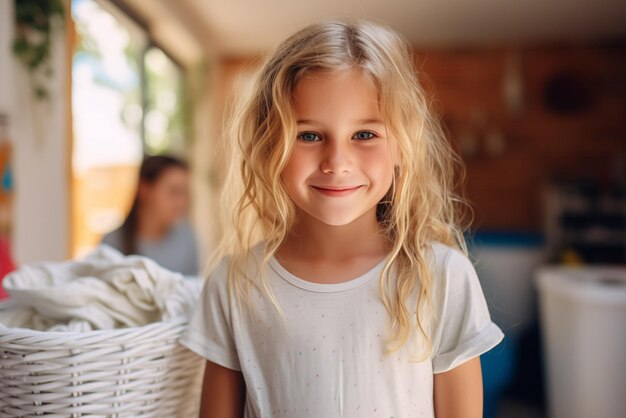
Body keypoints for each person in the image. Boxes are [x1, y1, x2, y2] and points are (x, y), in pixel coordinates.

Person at [179, 19, 504, 418]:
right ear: (269, 146)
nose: (337, 163)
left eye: (364, 135)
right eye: (310, 136)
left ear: (403, 146)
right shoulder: (235, 284)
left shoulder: (441, 276)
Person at [101, 154, 200, 277]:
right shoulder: (112, 243)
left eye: (185, 193)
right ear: (144, 190)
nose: (182, 202)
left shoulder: (185, 236)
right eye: (174, 192)